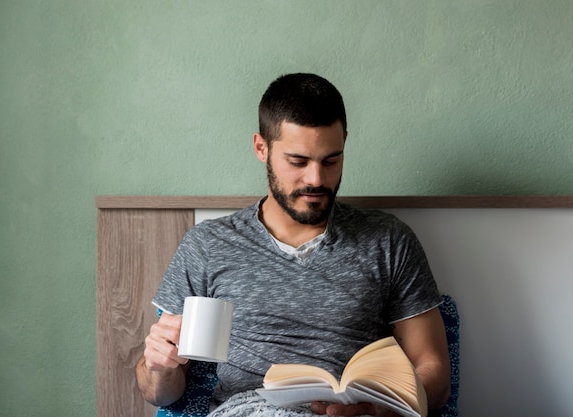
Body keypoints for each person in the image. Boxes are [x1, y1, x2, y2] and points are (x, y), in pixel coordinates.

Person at [136, 73, 450, 416]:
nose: (316, 179)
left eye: (331, 160)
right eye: (298, 162)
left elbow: (433, 371)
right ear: (261, 148)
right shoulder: (208, 244)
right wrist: (158, 367)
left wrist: (377, 410)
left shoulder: (388, 240)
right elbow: (160, 394)